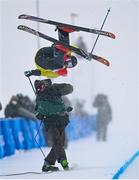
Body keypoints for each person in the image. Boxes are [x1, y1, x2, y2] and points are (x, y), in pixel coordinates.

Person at [34, 78, 73, 172]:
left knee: (61, 143)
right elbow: (39, 110)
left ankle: (47, 163)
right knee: (57, 142)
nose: (40, 89)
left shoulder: (54, 88)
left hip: (61, 120)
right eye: (38, 88)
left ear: (45, 85)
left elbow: (70, 88)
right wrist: (40, 114)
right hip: (50, 122)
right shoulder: (39, 97)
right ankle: (64, 162)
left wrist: (59, 89)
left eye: (41, 87)